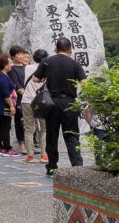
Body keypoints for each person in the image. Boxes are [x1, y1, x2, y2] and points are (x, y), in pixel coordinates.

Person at [32, 37, 87, 176]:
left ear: (56, 49)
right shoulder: (74, 63)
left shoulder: (47, 61)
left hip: (51, 103)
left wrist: (47, 78)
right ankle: (77, 166)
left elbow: (35, 79)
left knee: (52, 135)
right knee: (72, 135)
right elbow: (85, 83)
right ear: (70, 50)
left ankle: (52, 166)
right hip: (69, 103)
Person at [20, 49, 49, 163]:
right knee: (44, 130)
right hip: (42, 101)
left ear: (34, 58)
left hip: (27, 100)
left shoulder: (27, 68)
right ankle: (44, 155)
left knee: (29, 130)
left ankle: (30, 156)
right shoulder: (48, 69)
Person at [0, 53, 18, 156]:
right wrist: (11, 105)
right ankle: (7, 148)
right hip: (4, 106)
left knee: (1, 126)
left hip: (1, 105)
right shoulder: (1, 77)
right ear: (5, 65)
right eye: (10, 62)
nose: (11, 64)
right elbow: (6, 94)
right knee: (6, 127)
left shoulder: (1, 75)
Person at [6, 45, 29, 155]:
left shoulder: (27, 67)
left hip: (30, 98)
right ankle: (22, 145)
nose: (21, 56)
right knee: (19, 122)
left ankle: (32, 144)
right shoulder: (12, 69)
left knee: (30, 122)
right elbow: (16, 84)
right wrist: (25, 93)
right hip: (19, 99)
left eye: (22, 53)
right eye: (18, 54)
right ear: (13, 57)